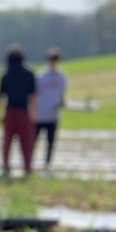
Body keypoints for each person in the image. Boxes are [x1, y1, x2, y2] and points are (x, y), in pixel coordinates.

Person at [0, 44, 37, 178]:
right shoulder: (29, 73)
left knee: (7, 143)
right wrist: (34, 112)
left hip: (10, 112)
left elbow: (0, 98)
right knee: (26, 142)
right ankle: (28, 167)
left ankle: (6, 166)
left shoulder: (5, 74)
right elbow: (33, 96)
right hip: (24, 112)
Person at [34, 47, 67, 176]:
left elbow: (61, 95)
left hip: (53, 116)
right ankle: (31, 164)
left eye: (55, 60)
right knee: (34, 142)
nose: (53, 63)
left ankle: (47, 166)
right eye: (51, 60)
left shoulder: (62, 78)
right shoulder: (40, 77)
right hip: (40, 115)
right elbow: (35, 96)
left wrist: (62, 103)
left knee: (50, 143)